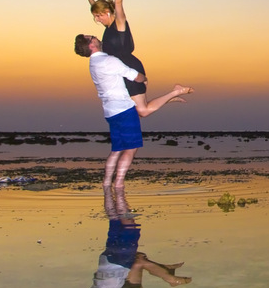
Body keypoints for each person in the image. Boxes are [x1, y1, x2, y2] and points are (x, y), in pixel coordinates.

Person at [75, 33, 191, 187]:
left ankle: (107, 182)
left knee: (117, 149)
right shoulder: (109, 61)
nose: (96, 37)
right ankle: (119, 183)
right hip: (123, 109)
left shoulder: (93, 64)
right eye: (93, 37)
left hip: (110, 111)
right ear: (91, 45)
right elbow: (135, 76)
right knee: (131, 148)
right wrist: (144, 79)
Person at [82, 0, 148, 101]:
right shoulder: (108, 27)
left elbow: (118, 3)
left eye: (98, 16)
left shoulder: (119, 24)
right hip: (120, 71)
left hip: (130, 67)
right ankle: (171, 97)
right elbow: (97, 7)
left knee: (142, 109)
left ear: (107, 12)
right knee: (134, 107)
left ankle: (174, 94)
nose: (97, 19)